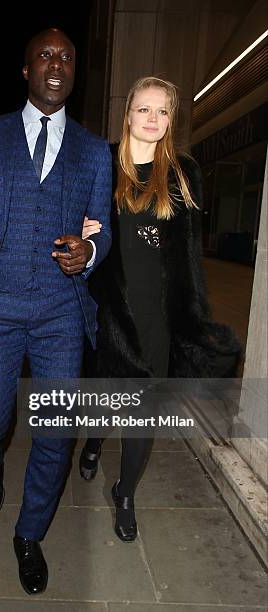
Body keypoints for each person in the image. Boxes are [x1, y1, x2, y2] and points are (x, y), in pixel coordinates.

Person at [0, 28, 112, 594]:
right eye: (45, 55)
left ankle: (30, 533)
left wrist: (89, 253)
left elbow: (100, 230)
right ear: (26, 68)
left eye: (66, 56)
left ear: (74, 70)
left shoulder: (91, 150)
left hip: (61, 309)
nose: (55, 63)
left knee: (55, 433)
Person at [79, 76, 240, 543]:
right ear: (127, 113)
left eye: (162, 111)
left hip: (158, 314)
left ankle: (124, 492)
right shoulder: (101, 164)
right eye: (144, 109)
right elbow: (68, 220)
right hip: (109, 306)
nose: (152, 119)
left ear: (171, 120)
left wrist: (191, 317)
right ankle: (92, 442)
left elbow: (188, 256)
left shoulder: (182, 172)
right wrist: (85, 229)